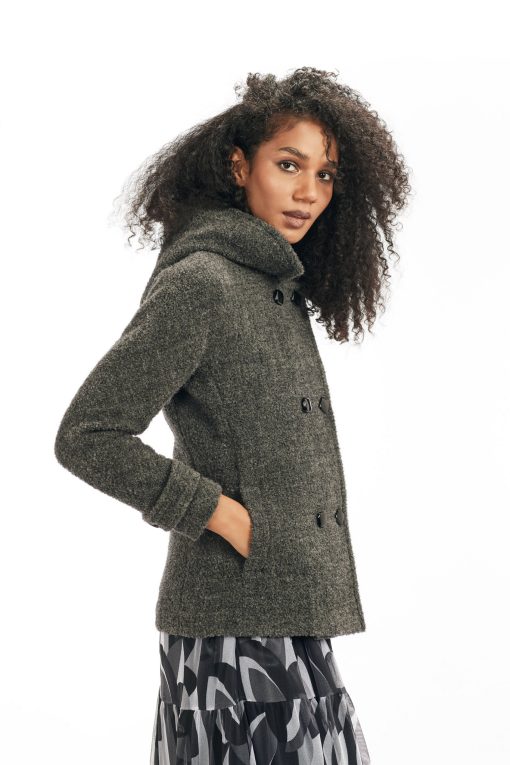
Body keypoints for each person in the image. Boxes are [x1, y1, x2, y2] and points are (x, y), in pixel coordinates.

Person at [54, 67, 411, 763]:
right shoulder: (204, 283)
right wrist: (219, 513)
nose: (309, 192)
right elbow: (88, 434)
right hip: (232, 628)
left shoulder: (271, 283)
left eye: (325, 175)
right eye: (289, 165)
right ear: (239, 166)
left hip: (285, 616)